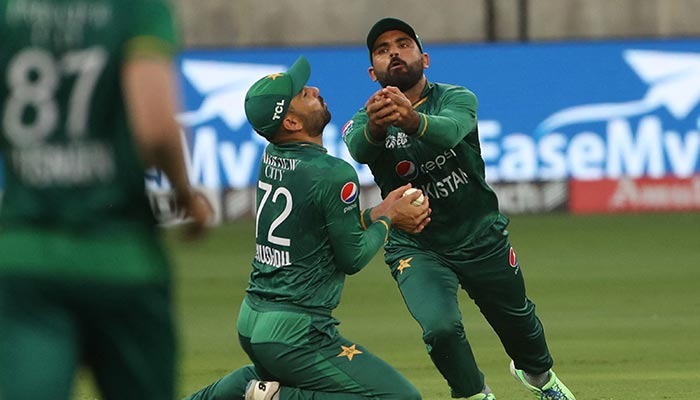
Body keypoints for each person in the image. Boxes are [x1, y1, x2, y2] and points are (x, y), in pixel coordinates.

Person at [342, 17, 577, 400]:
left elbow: (449, 131)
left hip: (480, 233)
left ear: (425, 58)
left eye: (403, 44)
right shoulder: (365, 119)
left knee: (521, 326)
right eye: (382, 51)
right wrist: (376, 125)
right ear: (373, 72)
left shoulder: (457, 98)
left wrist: (412, 119)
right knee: (440, 329)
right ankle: (474, 394)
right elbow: (359, 148)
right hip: (417, 245)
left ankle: (538, 377)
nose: (394, 53)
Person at [183, 56, 430, 400]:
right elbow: (352, 257)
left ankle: (236, 391)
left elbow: (320, 234)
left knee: (262, 376)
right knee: (401, 398)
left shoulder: (272, 155)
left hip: (254, 321)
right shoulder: (333, 173)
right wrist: (392, 219)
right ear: (292, 122)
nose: (314, 89)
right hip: (295, 332)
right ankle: (270, 397)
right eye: (303, 93)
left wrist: (378, 211)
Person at [0, 0, 212, 399]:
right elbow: (156, 130)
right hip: (122, 257)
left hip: (25, 258)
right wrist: (186, 194)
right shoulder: (137, 9)